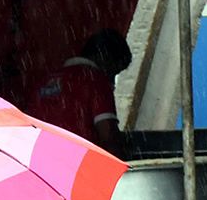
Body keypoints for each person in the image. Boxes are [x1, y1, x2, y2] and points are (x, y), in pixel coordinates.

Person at [27, 28, 132, 158]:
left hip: (41, 161)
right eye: (114, 72)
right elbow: (109, 135)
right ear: (106, 59)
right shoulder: (96, 80)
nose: (112, 82)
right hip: (79, 163)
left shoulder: (44, 81)